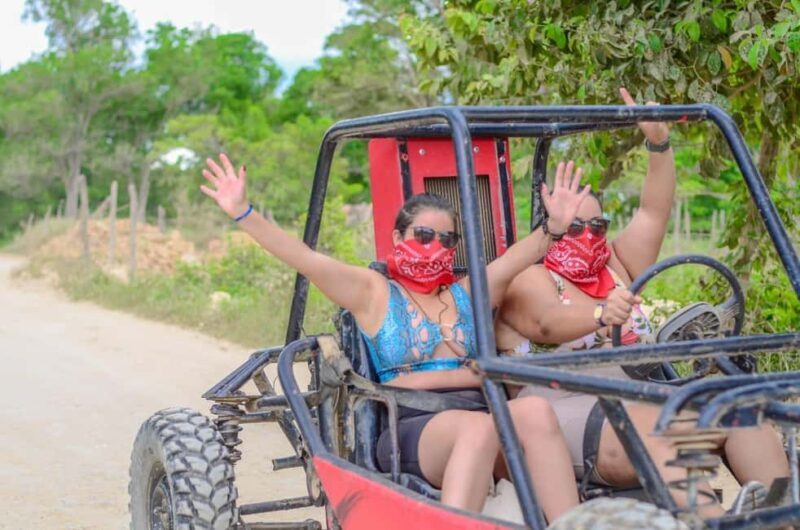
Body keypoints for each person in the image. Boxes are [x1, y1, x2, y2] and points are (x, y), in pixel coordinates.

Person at [201, 153, 589, 521]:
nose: (435, 247)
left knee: (535, 411)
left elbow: (517, 257)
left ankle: (573, 525)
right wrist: (244, 213)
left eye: (446, 239)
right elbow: (307, 260)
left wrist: (555, 226)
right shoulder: (375, 293)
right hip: (413, 425)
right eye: (424, 235)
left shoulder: (467, 294)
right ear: (398, 237)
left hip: (480, 417)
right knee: (479, 429)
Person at [495, 88, 790, 516]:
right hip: (559, 411)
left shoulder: (614, 265)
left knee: (742, 410)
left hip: (635, 397)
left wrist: (659, 144)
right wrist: (601, 313)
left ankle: (779, 516)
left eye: (597, 225)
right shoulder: (529, 278)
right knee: (655, 424)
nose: (588, 235)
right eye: (575, 226)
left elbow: (653, 212)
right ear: (552, 225)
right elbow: (547, 323)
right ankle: (715, 520)